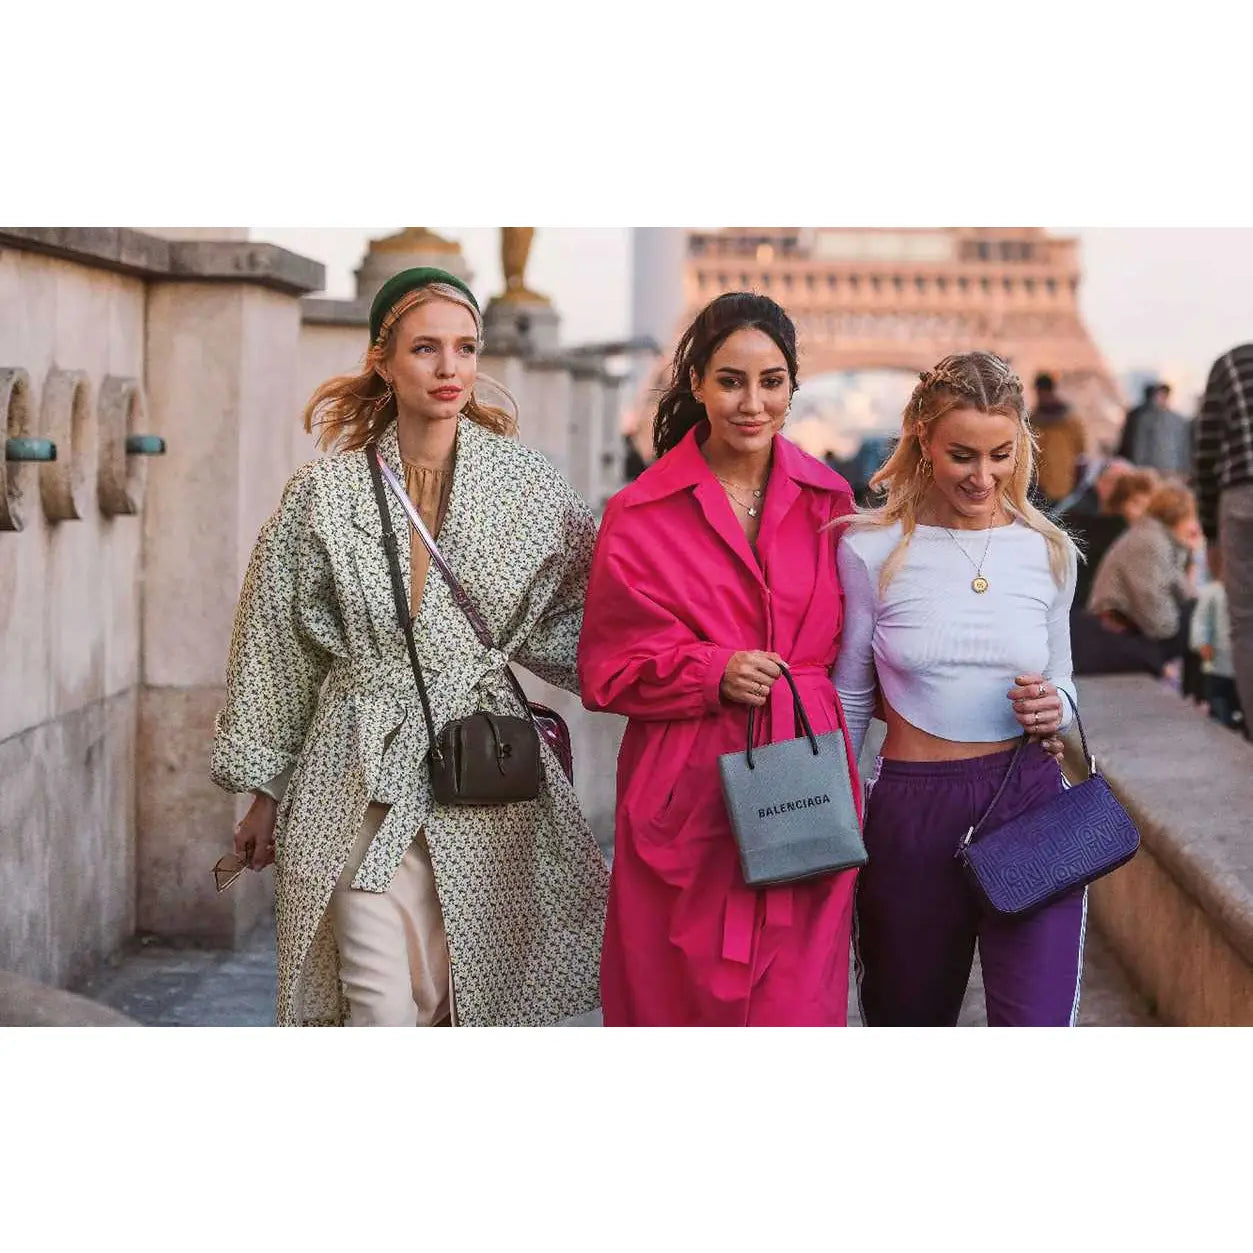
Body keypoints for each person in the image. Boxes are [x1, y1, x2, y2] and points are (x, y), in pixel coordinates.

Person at [210, 266, 609, 1027]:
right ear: (382, 361)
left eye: (465, 347)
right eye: (426, 348)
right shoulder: (323, 494)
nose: (450, 366)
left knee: (459, 1004)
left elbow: (592, 615)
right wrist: (263, 790)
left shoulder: (530, 488)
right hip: (353, 775)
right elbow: (275, 646)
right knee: (378, 1009)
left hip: (483, 778)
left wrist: (683, 674)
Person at [578, 292, 860, 1026]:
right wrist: (710, 671)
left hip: (803, 782)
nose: (752, 402)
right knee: (679, 1002)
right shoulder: (637, 512)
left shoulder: (830, 500)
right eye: (730, 380)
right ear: (695, 381)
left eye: (771, 381)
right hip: (686, 793)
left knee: (793, 1008)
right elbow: (605, 668)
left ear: (793, 386)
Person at [833, 351, 1084, 1028]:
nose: (982, 476)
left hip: (1028, 798)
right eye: (961, 455)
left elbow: (1063, 681)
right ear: (922, 442)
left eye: (1000, 454)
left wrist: (1054, 705)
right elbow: (851, 697)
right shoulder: (867, 550)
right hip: (911, 812)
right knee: (907, 1023)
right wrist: (829, 811)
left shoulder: (1050, 551)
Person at [1194, 343, 1253, 730]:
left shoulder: (1231, 363)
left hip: (1241, 495)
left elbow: (1206, 453)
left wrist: (1211, 533)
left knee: (1246, 622)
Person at [1086, 482, 1201, 673]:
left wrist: (1190, 553)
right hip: (1122, 633)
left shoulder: (1159, 538)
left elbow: (1187, 594)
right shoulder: (1150, 542)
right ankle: (1203, 695)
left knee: (1200, 616)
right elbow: (1153, 604)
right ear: (1180, 516)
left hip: (1135, 626)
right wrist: (1179, 630)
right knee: (1199, 623)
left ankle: (1200, 693)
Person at [1190, 546, 1246, 735]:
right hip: (1218, 664)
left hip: (1243, 666)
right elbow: (1201, 621)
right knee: (1219, 703)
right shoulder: (1212, 593)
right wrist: (1202, 642)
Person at [1028, 372, 1087, 507]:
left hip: (1054, 483)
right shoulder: (1070, 418)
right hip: (1047, 483)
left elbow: (1081, 450)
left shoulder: (1070, 420)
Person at [1122, 383, 1192, 477]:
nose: (1161, 398)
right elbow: (1140, 444)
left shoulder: (1178, 420)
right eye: (1159, 395)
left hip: (1172, 468)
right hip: (1150, 468)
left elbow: (1183, 445)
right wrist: (1138, 466)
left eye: (1164, 395)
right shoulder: (1145, 418)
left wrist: (1185, 468)